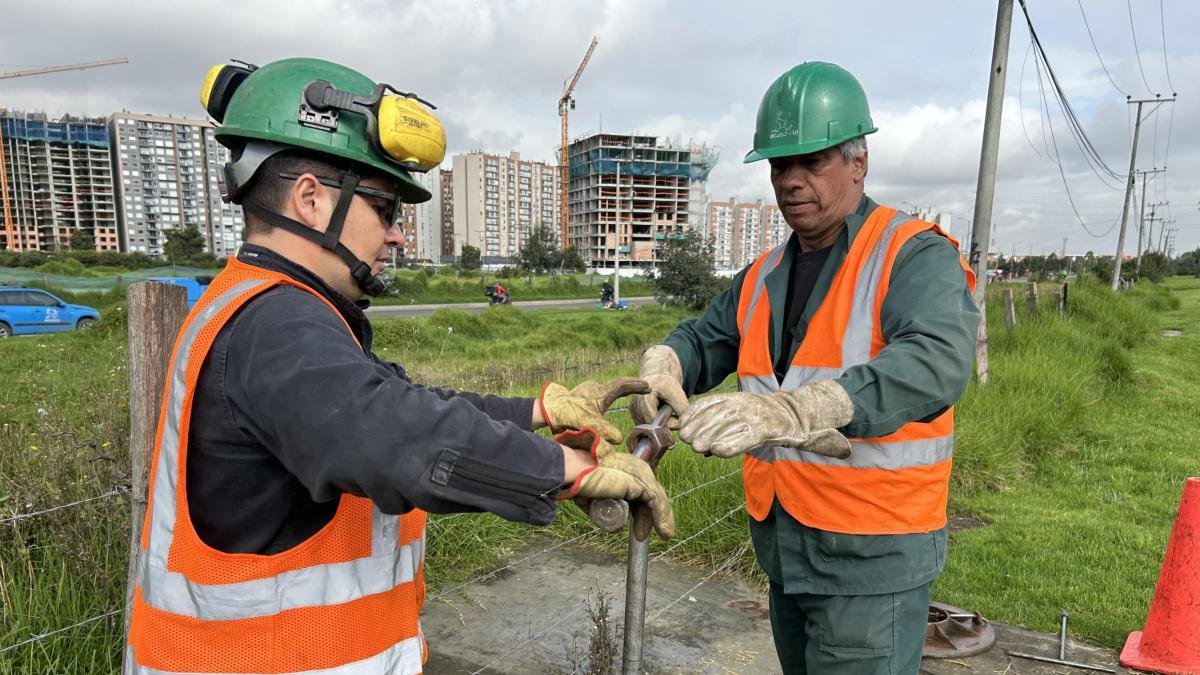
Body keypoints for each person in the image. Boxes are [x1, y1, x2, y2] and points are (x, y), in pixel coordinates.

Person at [124, 57, 674, 675]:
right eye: (385, 210)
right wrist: (565, 470)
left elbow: (395, 399)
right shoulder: (274, 327)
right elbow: (393, 434)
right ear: (311, 200)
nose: (397, 237)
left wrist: (537, 411)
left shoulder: (280, 310)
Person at [631, 61, 979, 674]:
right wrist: (667, 361)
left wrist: (798, 409)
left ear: (858, 161)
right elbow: (708, 337)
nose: (791, 181)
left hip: (873, 555)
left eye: (811, 161)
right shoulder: (766, 272)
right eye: (779, 165)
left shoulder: (912, 254)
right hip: (787, 546)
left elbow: (935, 361)